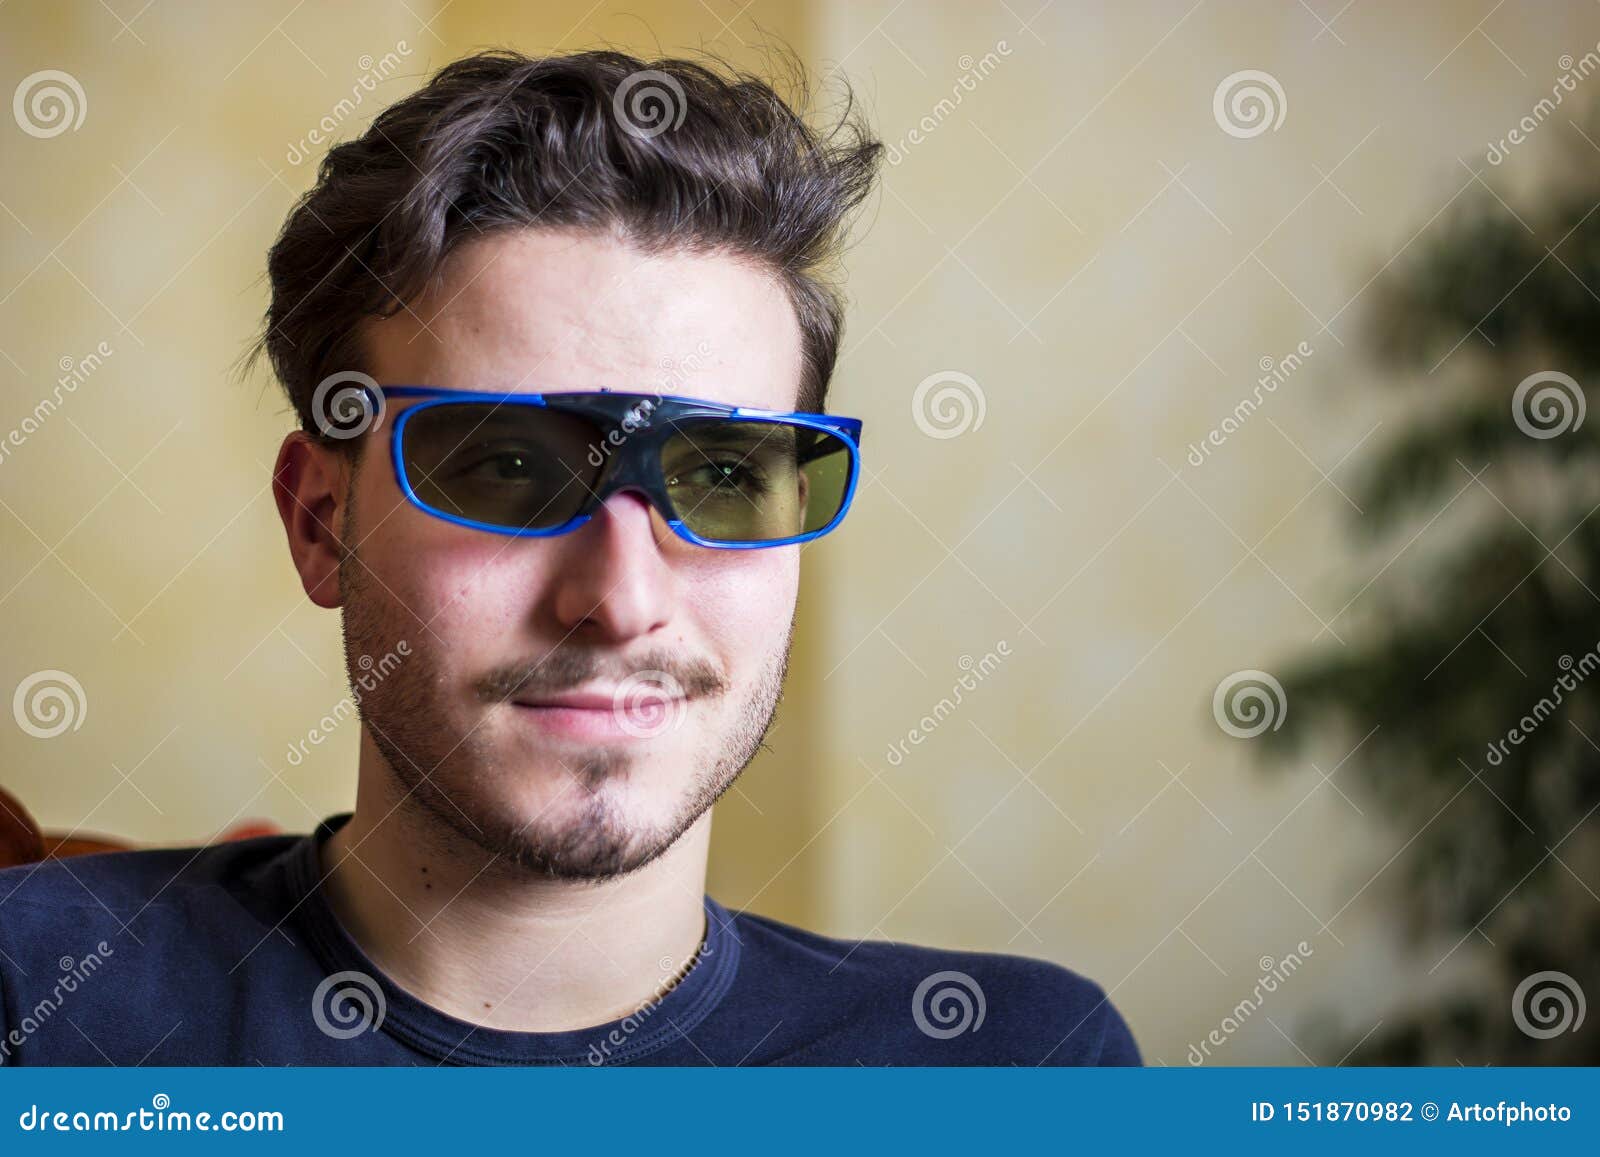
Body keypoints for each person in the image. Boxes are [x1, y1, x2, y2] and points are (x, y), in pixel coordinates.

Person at [0, 49, 1139, 1066]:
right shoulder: (44, 1006)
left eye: (724, 476)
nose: (621, 599)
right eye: (505, 468)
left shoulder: (1012, 1068)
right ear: (318, 523)